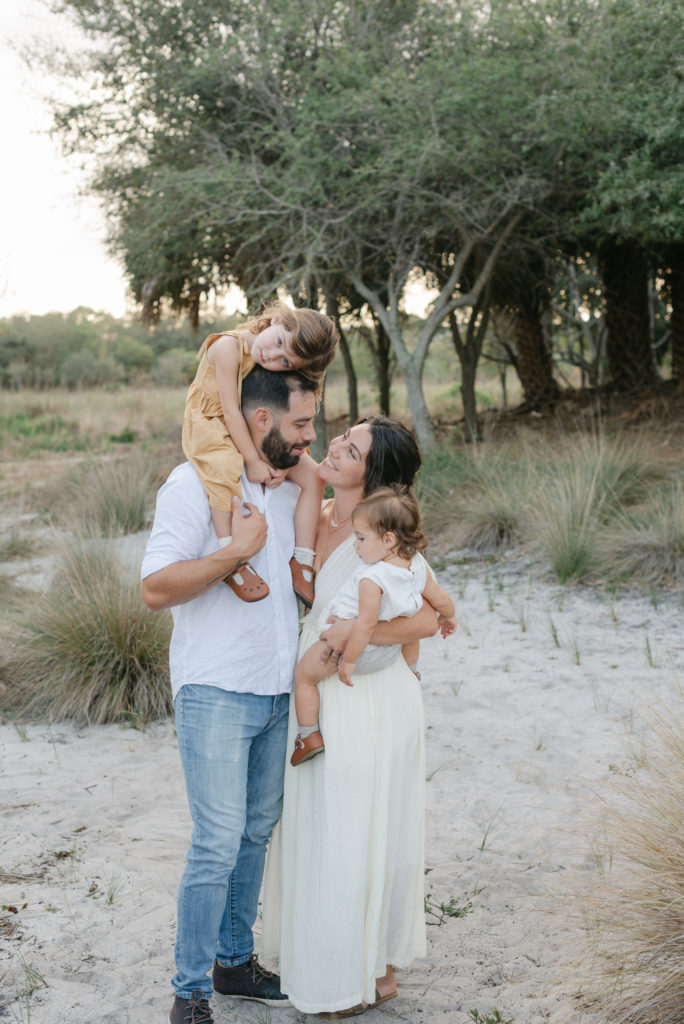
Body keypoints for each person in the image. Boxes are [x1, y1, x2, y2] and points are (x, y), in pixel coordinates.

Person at [141, 366, 319, 1024]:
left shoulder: (290, 483)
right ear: (263, 421)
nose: (310, 437)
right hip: (215, 687)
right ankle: (189, 993)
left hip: (276, 689)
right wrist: (234, 553)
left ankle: (233, 962)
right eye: (302, 424)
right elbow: (156, 587)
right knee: (216, 841)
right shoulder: (194, 484)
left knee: (254, 835)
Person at [262, 416, 443, 1017]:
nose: (336, 444)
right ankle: (342, 963)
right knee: (324, 830)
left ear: (377, 472)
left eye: (354, 446)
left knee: (364, 830)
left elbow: (426, 619)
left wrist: (352, 635)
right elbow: (268, 440)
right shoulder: (317, 506)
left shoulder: (385, 530)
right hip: (321, 690)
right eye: (341, 433)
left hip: (369, 694)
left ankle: (373, 972)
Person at [182, 300, 338, 606]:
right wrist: (253, 461)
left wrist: (282, 459)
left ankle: (303, 561)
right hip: (212, 421)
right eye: (279, 342)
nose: (272, 356)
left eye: (285, 362)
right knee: (224, 473)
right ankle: (231, 559)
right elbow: (228, 409)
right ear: (278, 318)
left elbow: (289, 412)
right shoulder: (228, 347)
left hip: (249, 423)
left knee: (313, 475)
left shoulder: (273, 357)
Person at [290, 484, 457, 765]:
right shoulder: (416, 565)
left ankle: (308, 735)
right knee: (407, 610)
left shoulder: (372, 578)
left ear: (388, 539)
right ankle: (412, 670)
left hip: (352, 649)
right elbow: (440, 599)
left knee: (304, 677)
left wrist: (348, 662)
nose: (355, 545)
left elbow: (365, 625)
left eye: (361, 538)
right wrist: (449, 618)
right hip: (392, 652)